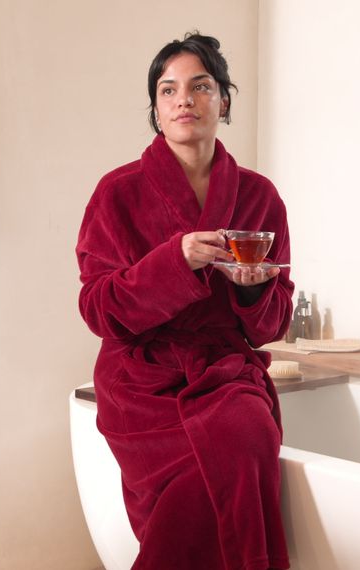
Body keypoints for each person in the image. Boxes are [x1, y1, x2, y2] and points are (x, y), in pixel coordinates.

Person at [75, 32, 293, 570]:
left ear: (224, 99)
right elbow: (97, 307)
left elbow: (271, 325)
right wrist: (176, 261)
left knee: (247, 440)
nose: (184, 100)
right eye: (168, 90)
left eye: (200, 86)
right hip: (141, 376)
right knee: (199, 478)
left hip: (224, 370)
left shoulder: (260, 196)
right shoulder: (117, 192)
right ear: (155, 108)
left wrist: (251, 285)